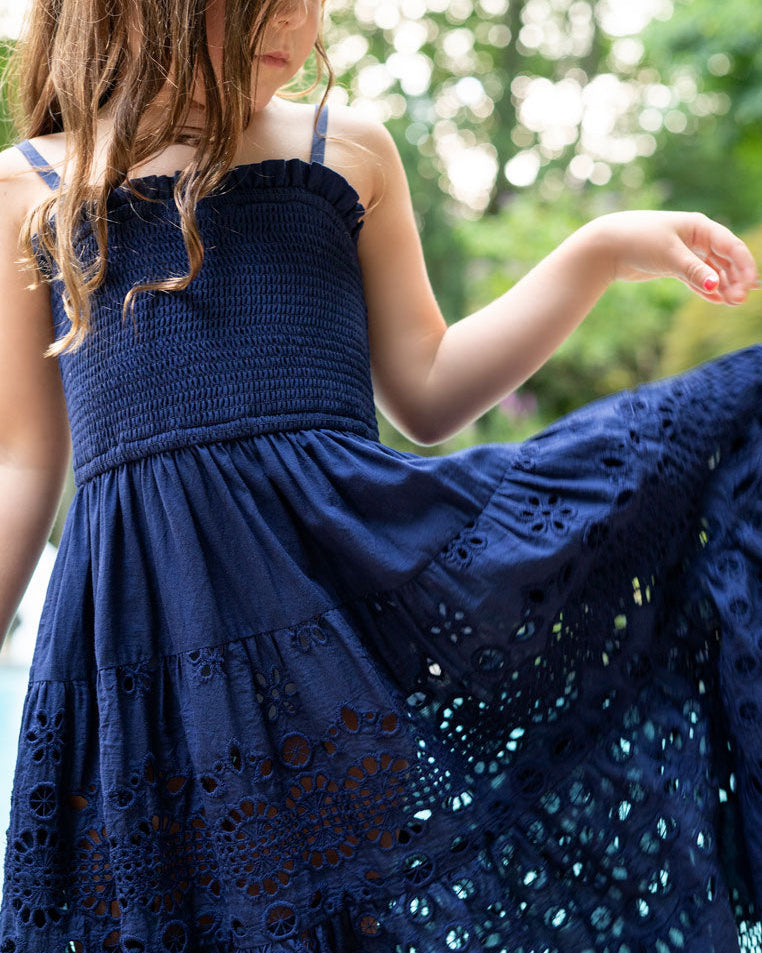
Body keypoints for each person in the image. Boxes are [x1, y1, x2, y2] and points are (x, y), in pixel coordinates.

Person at [0, 0, 760, 949]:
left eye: (309, 2)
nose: (295, 23)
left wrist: (596, 251)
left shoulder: (344, 151)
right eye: (260, 6)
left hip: (338, 624)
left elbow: (430, 392)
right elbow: (27, 460)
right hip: (138, 651)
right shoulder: (28, 188)